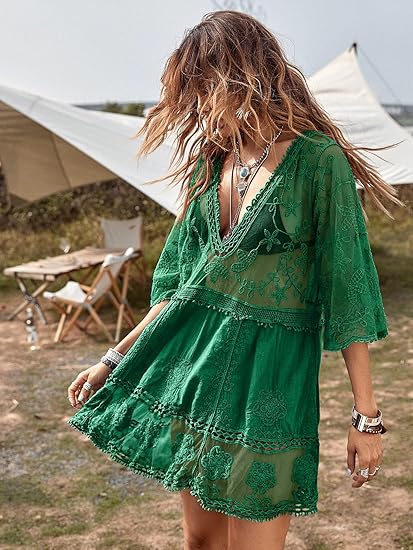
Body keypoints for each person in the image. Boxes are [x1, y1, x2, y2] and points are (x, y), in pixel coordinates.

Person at [67, 10, 404, 550]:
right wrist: (113, 358)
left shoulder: (318, 163)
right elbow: (181, 288)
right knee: (200, 543)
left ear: (240, 78)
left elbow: (348, 288)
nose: (197, 108)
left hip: (269, 387)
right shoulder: (211, 165)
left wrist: (366, 416)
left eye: (202, 90)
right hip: (197, 374)